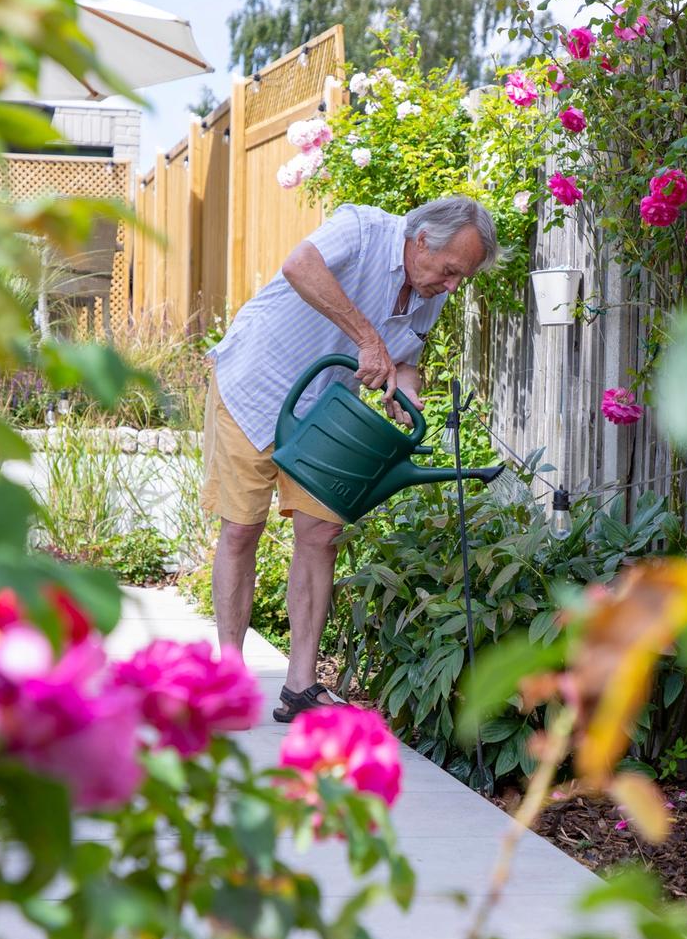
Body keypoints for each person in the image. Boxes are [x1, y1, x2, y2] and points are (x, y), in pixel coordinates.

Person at [202, 195, 500, 723]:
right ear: (423, 240)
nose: (452, 286)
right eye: (452, 271)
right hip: (253, 385)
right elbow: (300, 265)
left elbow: (406, 358)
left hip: (323, 411)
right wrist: (366, 338)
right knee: (241, 529)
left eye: (462, 278)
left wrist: (408, 393)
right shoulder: (361, 229)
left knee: (320, 535)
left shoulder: (429, 292)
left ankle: (299, 687)